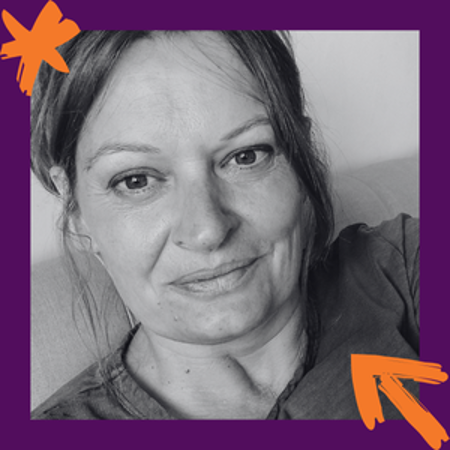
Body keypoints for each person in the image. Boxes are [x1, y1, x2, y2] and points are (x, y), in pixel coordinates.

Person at [31, 31, 419, 420]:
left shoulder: (402, 274)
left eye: (246, 156)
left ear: (302, 162)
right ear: (76, 212)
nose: (208, 231)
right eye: (136, 181)